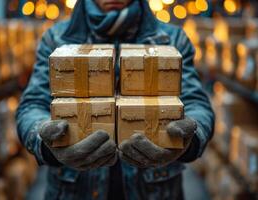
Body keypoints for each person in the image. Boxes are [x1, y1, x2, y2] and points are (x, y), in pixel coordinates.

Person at [16, 0, 215, 199]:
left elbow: (197, 103)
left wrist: (188, 141)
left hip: (155, 189)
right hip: (74, 189)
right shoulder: (56, 39)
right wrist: (48, 144)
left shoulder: (172, 39)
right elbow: (32, 106)